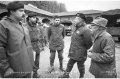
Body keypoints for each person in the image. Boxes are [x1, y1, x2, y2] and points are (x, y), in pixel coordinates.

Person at [0, 1, 34, 78]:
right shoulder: (3, 25)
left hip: (28, 68)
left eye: (24, 11)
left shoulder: (22, 25)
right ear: (12, 11)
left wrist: (32, 63)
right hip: (14, 71)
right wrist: (6, 68)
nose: (24, 13)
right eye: (21, 11)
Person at [59, 13, 92, 78]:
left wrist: (83, 49)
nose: (74, 20)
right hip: (73, 52)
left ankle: (81, 76)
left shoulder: (86, 30)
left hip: (80, 53)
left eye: (76, 19)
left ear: (82, 20)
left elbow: (89, 43)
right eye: (75, 18)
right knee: (70, 64)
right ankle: (66, 75)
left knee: (80, 66)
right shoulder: (76, 28)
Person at [26, 13, 41, 78]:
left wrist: (41, 44)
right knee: (28, 61)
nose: (35, 19)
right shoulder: (25, 26)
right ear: (29, 18)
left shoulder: (36, 26)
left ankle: (35, 73)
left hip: (37, 45)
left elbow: (39, 35)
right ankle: (27, 75)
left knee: (37, 61)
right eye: (33, 18)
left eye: (35, 18)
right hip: (29, 45)